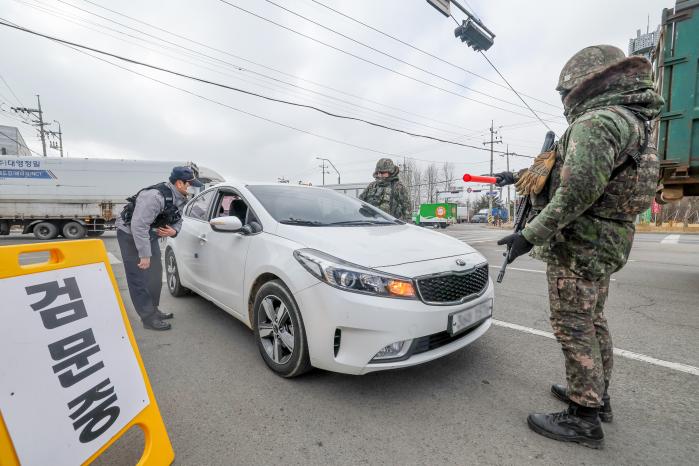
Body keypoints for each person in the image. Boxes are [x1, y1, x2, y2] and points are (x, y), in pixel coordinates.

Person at [494, 45, 663, 448]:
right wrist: (518, 175)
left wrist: (528, 236)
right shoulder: (632, 120)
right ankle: (597, 396)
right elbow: (580, 172)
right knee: (594, 320)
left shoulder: (597, 122)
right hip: (605, 242)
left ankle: (583, 416)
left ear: (582, 84)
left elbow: (576, 191)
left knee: (572, 325)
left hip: (579, 243)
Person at [115, 166, 202, 331]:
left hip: (149, 234)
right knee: (139, 278)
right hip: (130, 234)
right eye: (190, 184)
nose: (192, 187)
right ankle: (148, 318)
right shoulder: (154, 196)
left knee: (155, 274)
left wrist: (174, 230)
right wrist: (144, 255)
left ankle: (153, 310)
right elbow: (138, 226)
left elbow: (178, 219)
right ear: (179, 183)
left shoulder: (181, 197)